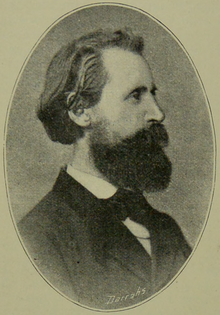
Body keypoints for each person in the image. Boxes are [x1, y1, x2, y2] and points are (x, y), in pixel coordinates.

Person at [18, 28, 191, 310]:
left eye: (153, 94)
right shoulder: (37, 238)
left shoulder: (166, 229)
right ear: (80, 111)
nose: (158, 113)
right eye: (136, 95)